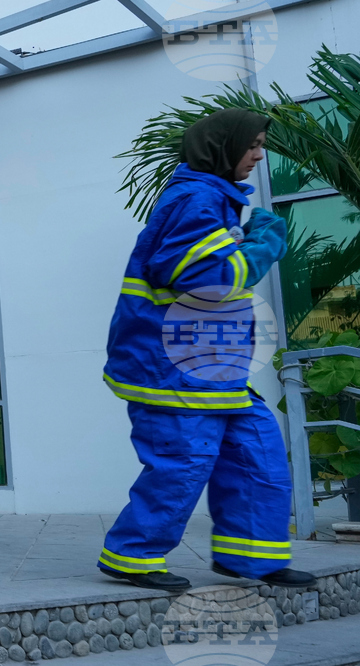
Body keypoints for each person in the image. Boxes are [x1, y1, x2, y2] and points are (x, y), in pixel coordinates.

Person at [99, 109, 317, 591]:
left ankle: (250, 557)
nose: (259, 156)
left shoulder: (214, 199)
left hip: (210, 369)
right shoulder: (196, 197)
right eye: (254, 144)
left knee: (258, 454)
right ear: (223, 147)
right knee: (183, 463)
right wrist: (265, 245)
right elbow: (204, 277)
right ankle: (131, 556)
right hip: (171, 371)